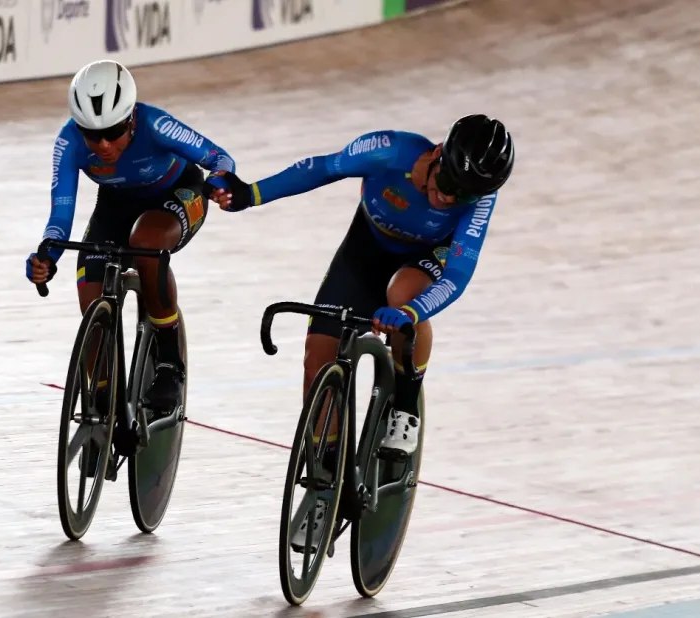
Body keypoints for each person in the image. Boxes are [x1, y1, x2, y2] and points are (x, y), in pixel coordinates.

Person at [207, 114, 514, 550]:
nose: (448, 197)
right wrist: (251, 194)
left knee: (401, 294)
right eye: (447, 181)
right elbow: (321, 168)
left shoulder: (480, 200)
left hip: (421, 264)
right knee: (318, 358)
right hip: (363, 252)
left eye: (462, 195)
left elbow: (458, 273)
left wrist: (412, 311)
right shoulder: (391, 150)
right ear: (438, 154)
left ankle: (405, 404)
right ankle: (325, 478)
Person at [27, 59, 235, 425]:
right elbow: (61, 212)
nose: (104, 144)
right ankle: (104, 400)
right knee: (90, 290)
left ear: (132, 119)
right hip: (116, 206)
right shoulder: (69, 141)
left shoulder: (156, 124)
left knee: (147, 243)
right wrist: (48, 254)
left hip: (177, 194)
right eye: (94, 135)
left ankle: (170, 363)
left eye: (114, 131)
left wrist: (220, 179)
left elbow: (220, 157)